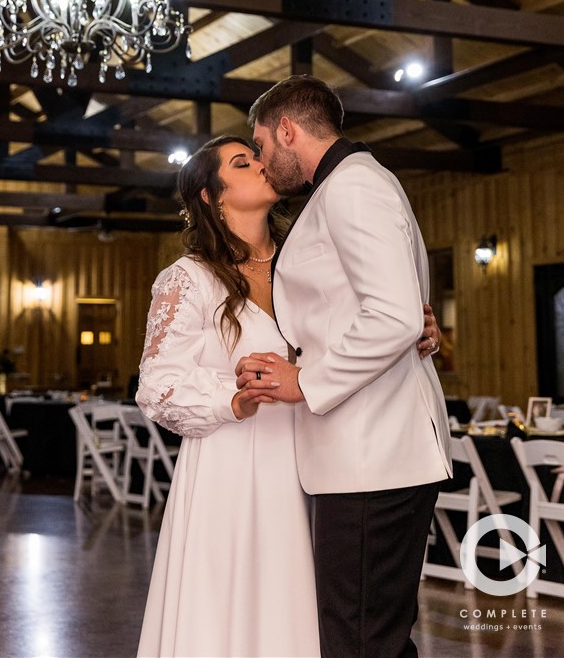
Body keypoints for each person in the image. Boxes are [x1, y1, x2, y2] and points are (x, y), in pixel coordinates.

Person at [136, 134, 442, 658]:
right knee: (231, 609)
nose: (259, 164)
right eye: (241, 161)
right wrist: (233, 397)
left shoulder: (305, 263)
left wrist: (414, 330)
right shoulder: (188, 278)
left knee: (316, 611)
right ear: (211, 195)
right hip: (230, 469)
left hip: (316, 459)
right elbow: (155, 384)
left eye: (256, 155)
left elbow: (361, 331)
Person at [237, 76, 452, 658]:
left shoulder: (354, 186)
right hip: (361, 452)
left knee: (359, 638)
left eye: (259, 145)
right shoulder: (343, 187)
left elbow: (393, 316)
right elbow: (391, 315)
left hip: (374, 453)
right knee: (366, 634)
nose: (261, 161)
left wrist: (304, 379)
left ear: (287, 130)